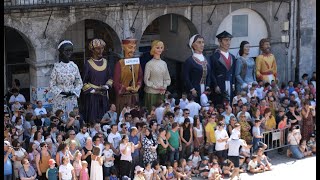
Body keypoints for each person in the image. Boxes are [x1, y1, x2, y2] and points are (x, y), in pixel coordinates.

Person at [82, 39, 114, 123]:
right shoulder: (88, 64)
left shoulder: (106, 62)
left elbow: (110, 78)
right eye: (98, 49)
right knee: (93, 117)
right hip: (92, 97)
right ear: (92, 50)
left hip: (103, 94)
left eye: (102, 48)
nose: (101, 51)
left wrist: (106, 86)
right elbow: (83, 82)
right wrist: (93, 91)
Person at [49, 40, 83, 117]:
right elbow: (52, 84)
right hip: (60, 98)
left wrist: (74, 91)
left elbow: (79, 82)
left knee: (72, 117)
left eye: (70, 51)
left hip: (72, 98)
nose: (69, 53)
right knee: (60, 117)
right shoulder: (56, 67)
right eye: (66, 51)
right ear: (61, 52)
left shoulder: (74, 66)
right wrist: (61, 92)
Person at [113, 37, 143, 114]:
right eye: (130, 47)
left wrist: (138, 87)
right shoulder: (120, 64)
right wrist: (126, 88)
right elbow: (116, 82)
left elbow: (140, 77)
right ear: (123, 47)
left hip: (134, 96)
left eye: (134, 48)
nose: (132, 50)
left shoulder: (136, 63)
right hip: (124, 97)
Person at [209, 31, 237, 105]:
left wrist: (233, 83)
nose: (228, 43)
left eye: (229, 40)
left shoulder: (232, 57)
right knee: (220, 103)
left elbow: (233, 72)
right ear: (219, 41)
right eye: (225, 40)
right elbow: (212, 72)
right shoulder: (214, 57)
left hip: (230, 82)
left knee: (229, 102)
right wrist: (215, 85)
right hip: (220, 83)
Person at [144, 40, 171, 111]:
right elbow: (146, 80)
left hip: (161, 93)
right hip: (152, 93)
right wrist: (156, 87)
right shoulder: (149, 64)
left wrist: (164, 86)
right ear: (153, 48)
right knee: (152, 112)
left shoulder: (164, 63)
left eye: (161, 47)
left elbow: (167, 78)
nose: (160, 49)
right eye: (157, 47)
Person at [183, 34, 211, 103]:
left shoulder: (207, 59)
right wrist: (192, 89)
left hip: (205, 89)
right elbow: (185, 77)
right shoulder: (189, 61)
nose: (202, 45)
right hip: (195, 90)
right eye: (199, 42)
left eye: (203, 42)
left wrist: (208, 86)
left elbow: (209, 74)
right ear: (193, 45)